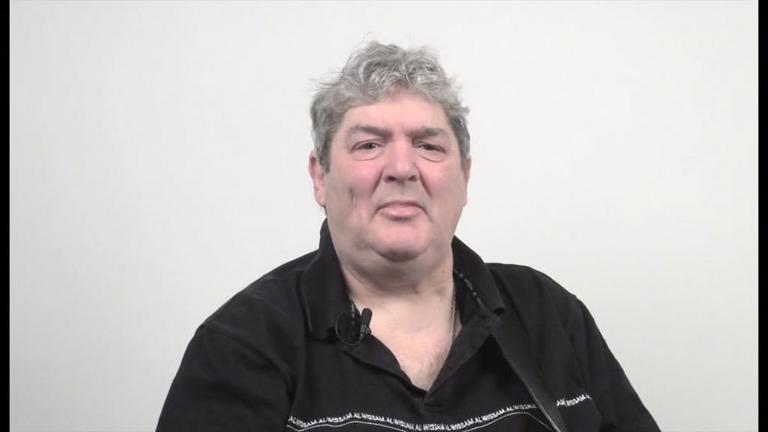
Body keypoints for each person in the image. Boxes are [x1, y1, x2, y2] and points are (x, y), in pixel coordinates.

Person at [156, 41, 660, 432]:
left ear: (464, 176)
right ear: (319, 176)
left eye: (428, 145)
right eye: (369, 144)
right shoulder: (243, 344)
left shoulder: (547, 314)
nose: (402, 167)